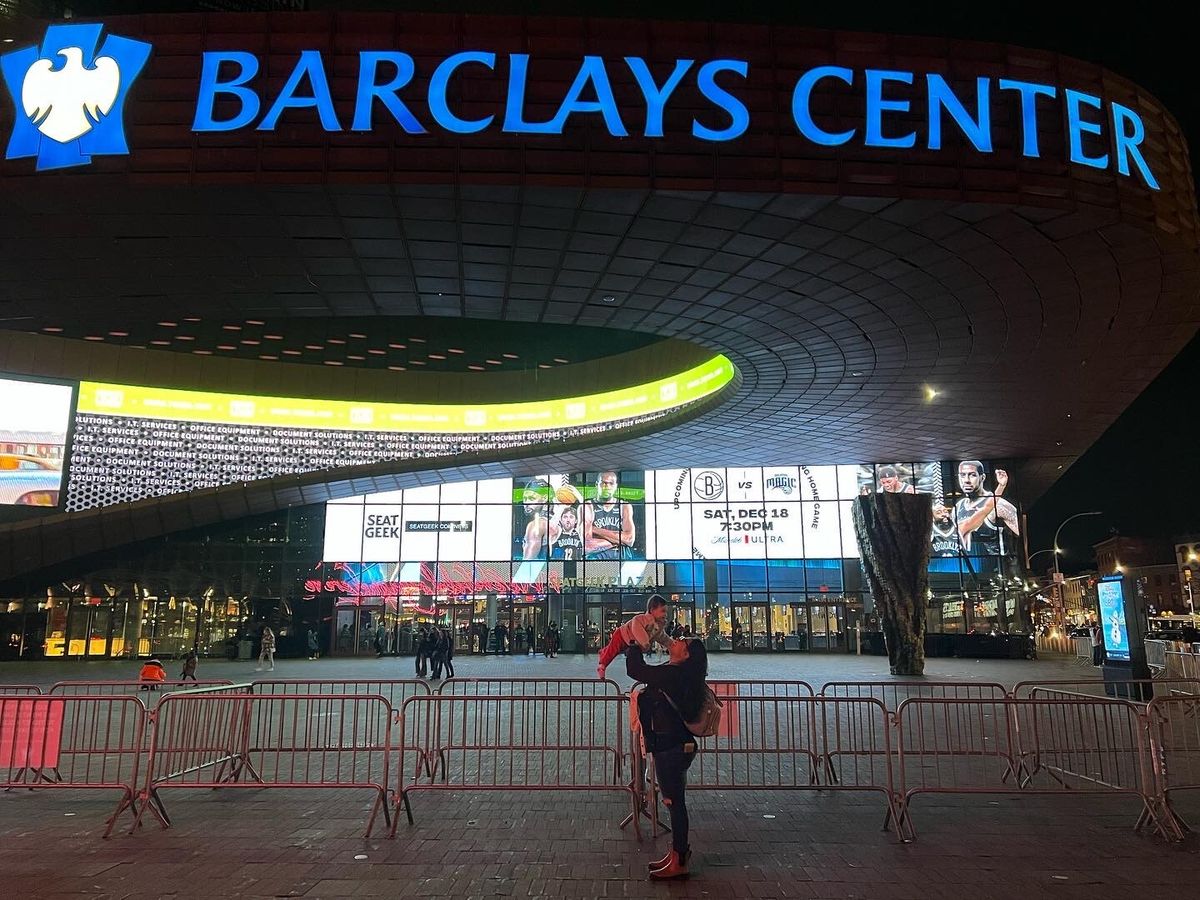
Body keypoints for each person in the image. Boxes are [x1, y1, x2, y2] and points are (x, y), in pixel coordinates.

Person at [626, 638, 708, 880]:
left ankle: (680, 859)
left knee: (674, 803)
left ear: (686, 655)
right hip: (674, 745)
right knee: (674, 801)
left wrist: (634, 644)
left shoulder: (674, 675)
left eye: (684, 642)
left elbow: (636, 670)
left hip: (670, 747)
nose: (677, 640)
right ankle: (676, 853)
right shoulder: (679, 674)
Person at [953, 461, 1020, 568]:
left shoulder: (1000, 505)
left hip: (1001, 568)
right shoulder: (958, 507)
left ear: (982, 477)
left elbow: (1024, 535)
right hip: (970, 570)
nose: (966, 480)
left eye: (972, 475)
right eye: (962, 475)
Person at [597, 594, 673, 679]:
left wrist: (671, 644)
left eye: (666, 611)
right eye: (663, 611)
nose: (665, 614)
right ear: (652, 610)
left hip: (631, 643)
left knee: (615, 650)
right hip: (622, 634)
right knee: (612, 651)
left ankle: (603, 652)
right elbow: (637, 628)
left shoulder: (658, 626)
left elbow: (662, 637)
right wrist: (644, 642)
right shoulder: (642, 619)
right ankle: (602, 665)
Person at [583, 471, 636, 559]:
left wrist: (594, 529)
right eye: (603, 483)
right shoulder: (588, 506)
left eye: (611, 483)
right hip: (596, 561)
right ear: (597, 485)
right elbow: (588, 545)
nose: (607, 487)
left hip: (622, 559)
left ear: (615, 486)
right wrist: (618, 541)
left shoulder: (624, 506)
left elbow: (630, 539)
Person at [516, 478, 552, 559]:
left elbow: (528, 564)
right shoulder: (555, 521)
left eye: (532, 498)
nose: (527, 503)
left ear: (545, 498)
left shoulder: (536, 525)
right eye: (525, 499)